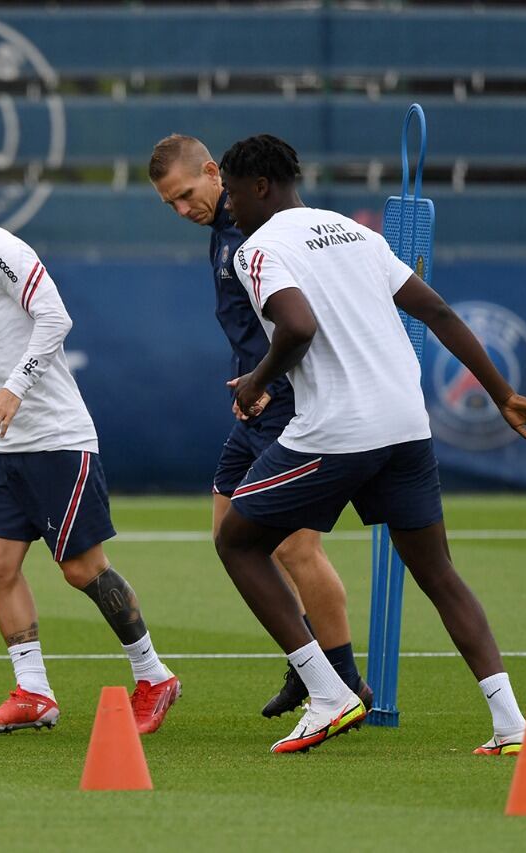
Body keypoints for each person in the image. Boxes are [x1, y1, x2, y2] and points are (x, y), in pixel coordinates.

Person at [213, 134, 526, 754]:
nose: (230, 208)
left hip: (338, 431)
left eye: (234, 194)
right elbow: (439, 313)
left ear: (261, 187)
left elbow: (297, 326)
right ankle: (511, 724)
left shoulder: (258, 248)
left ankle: (329, 694)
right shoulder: (357, 234)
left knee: (237, 542)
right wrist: (503, 393)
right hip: (406, 426)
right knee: (439, 573)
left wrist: (257, 382)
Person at [0, 158, 181, 735]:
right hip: (6, 449)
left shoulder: (0, 249)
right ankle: (34, 693)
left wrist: (13, 389)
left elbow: (55, 317)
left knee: (82, 569)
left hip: (56, 439)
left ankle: (154, 676)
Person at [148, 134, 369, 718]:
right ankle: (309, 665)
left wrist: (270, 380)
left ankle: (345, 682)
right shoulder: (222, 230)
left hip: (290, 405)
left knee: (297, 547)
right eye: (170, 203)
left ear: (213, 172)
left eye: (185, 194)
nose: (181, 210)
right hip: (253, 409)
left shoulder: (260, 226)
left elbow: (302, 320)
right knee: (231, 534)